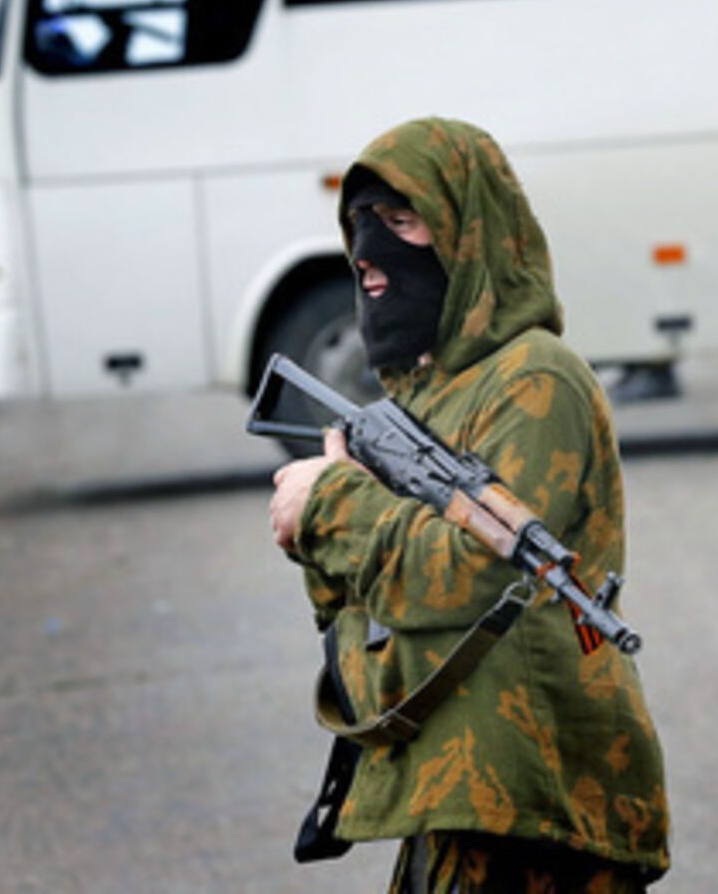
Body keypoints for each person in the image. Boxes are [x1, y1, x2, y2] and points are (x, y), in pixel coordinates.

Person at [268, 118, 670, 891]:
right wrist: (315, 524)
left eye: (401, 220)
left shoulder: (534, 378)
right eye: (361, 224)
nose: (370, 251)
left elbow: (476, 574)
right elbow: (369, 597)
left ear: (469, 233)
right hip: (459, 781)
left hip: (536, 793)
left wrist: (330, 505)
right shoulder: (431, 392)